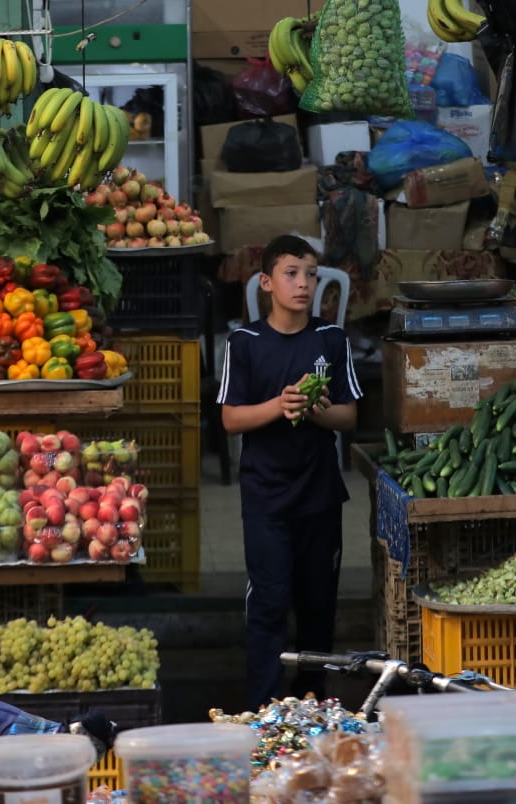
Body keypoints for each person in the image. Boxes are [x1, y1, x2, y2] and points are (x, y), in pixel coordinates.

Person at [217, 235, 361, 710]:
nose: (303, 284)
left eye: (311, 275)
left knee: (318, 607)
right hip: (266, 498)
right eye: (291, 274)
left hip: (319, 494)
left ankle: (313, 707)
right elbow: (231, 419)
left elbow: (349, 416)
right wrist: (280, 405)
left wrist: (317, 411)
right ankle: (265, 710)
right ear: (266, 283)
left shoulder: (331, 339)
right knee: (269, 604)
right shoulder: (245, 343)